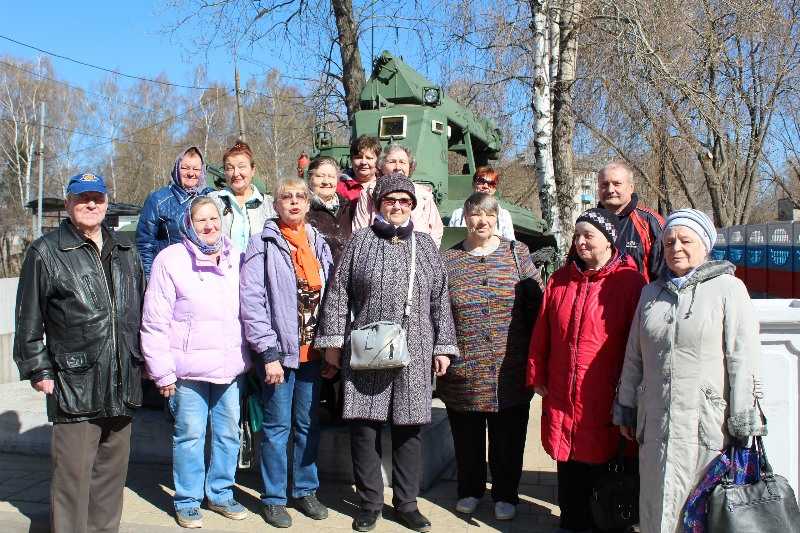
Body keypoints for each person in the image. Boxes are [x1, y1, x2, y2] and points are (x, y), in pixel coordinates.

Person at [316, 174, 459, 533]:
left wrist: (443, 346)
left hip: (416, 349)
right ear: (379, 204)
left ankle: (407, 504)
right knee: (364, 427)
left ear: (413, 206)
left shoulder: (425, 246)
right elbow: (337, 295)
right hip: (367, 349)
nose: (397, 206)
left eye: (404, 201)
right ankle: (369, 503)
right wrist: (332, 344)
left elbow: (440, 300)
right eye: (390, 200)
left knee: (409, 429)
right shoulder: (359, 242)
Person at [613, 209, 765, 533]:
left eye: (685, 240)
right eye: (669, 242)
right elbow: (634, 356)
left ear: (705, 245)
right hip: (655, 422)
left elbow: (743, 357)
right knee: (655, 506)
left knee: (700, 510)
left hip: (706, 425)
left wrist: (742, 418)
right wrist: (626, 406)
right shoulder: (650, 293)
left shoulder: (729, 289)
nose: (676, 248)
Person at [13, 173, 145, 533]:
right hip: (73, 385)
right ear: (69, 203)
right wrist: (38, 369)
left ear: (106, 202)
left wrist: (144, 361)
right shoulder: (46, 251)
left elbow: (141, 311)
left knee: (109, 482)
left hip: (122, 382)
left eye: (97, 198)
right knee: (71, 485)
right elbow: (28, 319)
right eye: (82, 198)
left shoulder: (126, 250)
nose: (90, 204)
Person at [527, 208, 646, 533]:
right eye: (577, 235)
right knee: (567, 463)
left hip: (605, 393)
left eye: (588, 235)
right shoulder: (560, 279)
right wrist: (537, 373)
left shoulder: (630, 282)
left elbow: (640, 344)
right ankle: (570, 521)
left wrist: (632, 392)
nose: (580, 242)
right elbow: (543, 331)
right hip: (563, 390)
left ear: (608, 241)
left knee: (602, 464)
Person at [140, 196, 250, 528]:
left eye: (214, 218)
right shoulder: (169, 260)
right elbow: (154, 321)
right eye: (201, 220)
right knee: (189, 434)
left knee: (228, 433)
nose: (209, 225)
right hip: (187, 371)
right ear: (188, 223)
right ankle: (187, 499)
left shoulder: (236, 258)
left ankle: (220, 493)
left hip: (229, 367)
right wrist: (162, 372)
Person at [439, 192, 543, 520]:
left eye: (487, 215)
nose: (480, 221)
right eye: (474, 215)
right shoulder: (449, 259)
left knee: (508, 439)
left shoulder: (518, 253)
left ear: (496, 217)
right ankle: (469, 489)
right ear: (465, 218)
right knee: (467, 438)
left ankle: (505, 494)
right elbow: (439, 310)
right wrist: (444, 350)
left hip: (508, 368)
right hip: (464, 369)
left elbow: (538, 304)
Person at [240, 177, 334, 528]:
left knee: (307, 425)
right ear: (275, 204)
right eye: (286, 197)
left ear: (308, 204)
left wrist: (330, 348)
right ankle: (274, 497)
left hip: (312, 353)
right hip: (279, 355)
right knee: (277, 427)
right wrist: (268, 353)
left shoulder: (317, 241)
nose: (293, 202)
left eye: (299, 197)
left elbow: (330, 295)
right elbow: (252, 302)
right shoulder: (262, 243)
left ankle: (306, 490)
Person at [137, 146, 214, 279]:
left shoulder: (211, 198)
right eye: (185, 168)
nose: (191, 173)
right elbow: (145, 245)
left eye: (196, 169)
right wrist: (150, 280)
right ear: (176, 168)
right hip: (170, 276)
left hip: (205, 277)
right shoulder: (158, 200)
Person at [351, 144, 445, 247]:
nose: (398, 167)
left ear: (410, 167)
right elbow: (359, 230)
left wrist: (426, 254)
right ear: (381, 166)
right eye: (392, 162)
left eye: (402, 162)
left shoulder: (423, 194)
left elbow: (436, 230)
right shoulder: (369, 193)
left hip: (416, 255)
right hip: (379, 254)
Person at [597, 161, 665, 283]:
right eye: (604, 184)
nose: (610, 189)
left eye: (617, 184)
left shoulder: (651, 223)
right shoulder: (588, 223)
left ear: (631, 188)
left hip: (639, 300)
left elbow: (664, 277)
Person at [209, 141, 276, 252]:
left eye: (241, 167)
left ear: (252, 170)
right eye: (230, 168)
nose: (236, 173)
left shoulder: (270, 205)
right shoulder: (213, 202)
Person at [306, 155, 354, 265]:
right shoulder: (304, 210)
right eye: (320, 176)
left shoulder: (349, 208)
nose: (326, 181)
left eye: (331, 177)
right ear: (310, 179)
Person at [448, 166, 516, 241]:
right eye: (481, 181)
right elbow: (450, 241)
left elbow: (511, 244)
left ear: (494, 189)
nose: (486, 186)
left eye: (491, 183)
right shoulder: (458, 214)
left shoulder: (503, 215)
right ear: (473, 184)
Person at [337, 135, 381, 201]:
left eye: (369, 158)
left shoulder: (386, 185)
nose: (363, 162)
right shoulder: (339, 187)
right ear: (351, 160)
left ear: (377, 161)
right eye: (358, 157)